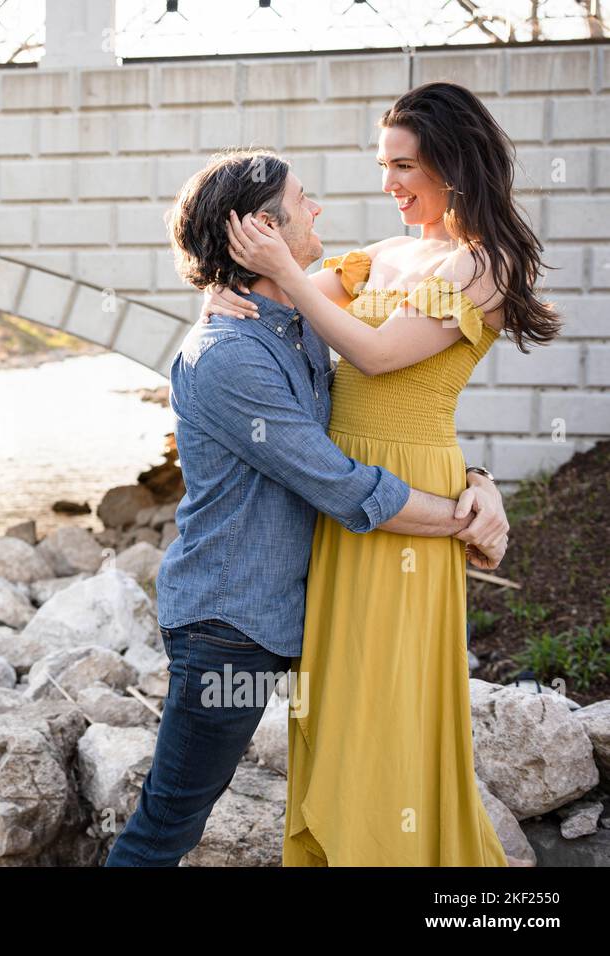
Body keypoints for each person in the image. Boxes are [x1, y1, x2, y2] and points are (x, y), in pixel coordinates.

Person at [104, 141, 509, 867]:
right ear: (259, 230)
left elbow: (385, 413)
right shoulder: (229, 356)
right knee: (171, 818)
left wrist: (476, 479)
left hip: (310, 601)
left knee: (348, 754)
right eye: (302, 202)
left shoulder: (291, 331)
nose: (320, 208)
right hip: (233, 623)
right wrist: (462, 519)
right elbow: (343, 483)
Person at [202, 82, 559, 865]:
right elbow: (277, 309)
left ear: (453, 163)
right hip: (338, 493)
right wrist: (223, 296)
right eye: (382, 165)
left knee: (388, 695)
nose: (387, 184)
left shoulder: (485, 265)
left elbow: (377, 354)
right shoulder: (385, 255)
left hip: (408, 491)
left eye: (403, 165)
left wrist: (288, 282)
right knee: (335, 700)